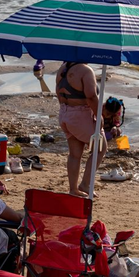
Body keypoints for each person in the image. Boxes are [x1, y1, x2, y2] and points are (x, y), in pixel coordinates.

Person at [56, 61, 99, 197]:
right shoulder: (85, 70)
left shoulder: (63, 68)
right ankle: (85, 184)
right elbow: (91, 96)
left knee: (75, 154)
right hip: (81, 114)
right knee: (100, 147)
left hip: (65, 113)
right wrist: (99, 116)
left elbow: (58, 92)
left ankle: (73, 189)